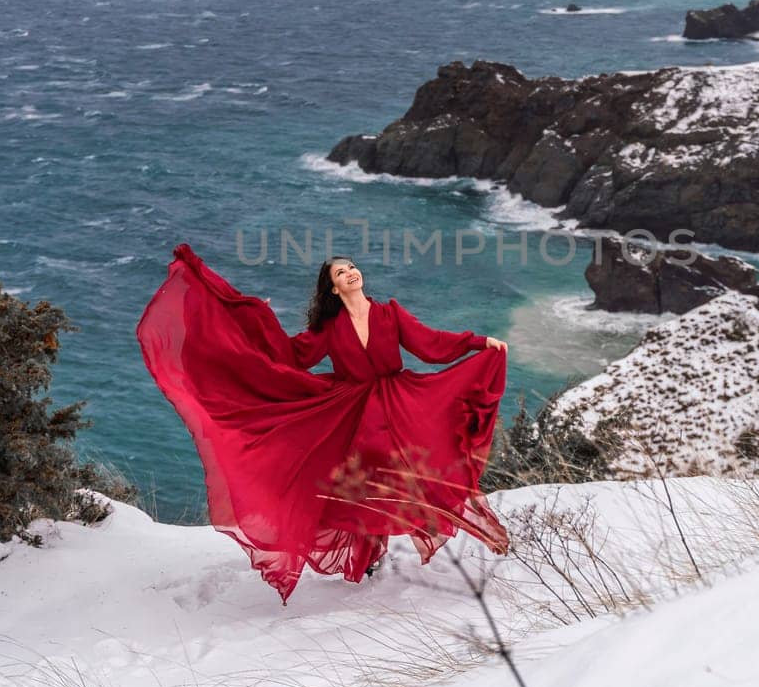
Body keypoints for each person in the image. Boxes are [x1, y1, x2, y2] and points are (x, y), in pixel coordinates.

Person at [136, 244, 511, 605]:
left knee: (425, 468)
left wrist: (479, 343)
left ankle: (473, 529)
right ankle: (370, 559)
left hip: (400, 401)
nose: (351, 273)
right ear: (333, 287)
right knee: (358, 481)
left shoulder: (390, 313)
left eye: (352, 267)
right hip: (352, 411)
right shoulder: (330, 328)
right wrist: (258, 324)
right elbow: (293, 356)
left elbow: (431, 344)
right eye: (341, 272)